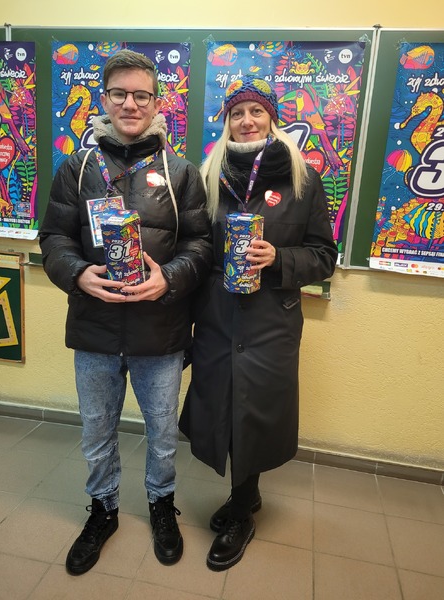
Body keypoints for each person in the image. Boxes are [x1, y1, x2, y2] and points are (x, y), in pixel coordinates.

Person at [39, 49, 211, 574]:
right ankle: (103, 509)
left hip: (160, 332)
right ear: (105, 99)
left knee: (161, 432)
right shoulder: (77, 169)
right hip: (94, 328)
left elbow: (201, 246)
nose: (130, 104)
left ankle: (161, 504)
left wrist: (170, 277)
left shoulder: (180, 173)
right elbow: (53, 238)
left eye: (141, 95)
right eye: (120, 94)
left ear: (157, 102)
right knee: (96, 431)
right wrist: (77, 273)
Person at [179, 75, 338, 571]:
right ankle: (243, 497)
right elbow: (194, 249)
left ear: (272, 118)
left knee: (255, 413)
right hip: (217, 318)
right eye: (237, 113)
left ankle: (243, 506)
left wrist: (279, 258)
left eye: (256, 112)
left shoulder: (302, 180)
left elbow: (324, 256)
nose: (246, 121)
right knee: (220, 408)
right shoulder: (207, 177)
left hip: (272, 322)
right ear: (226, 122)